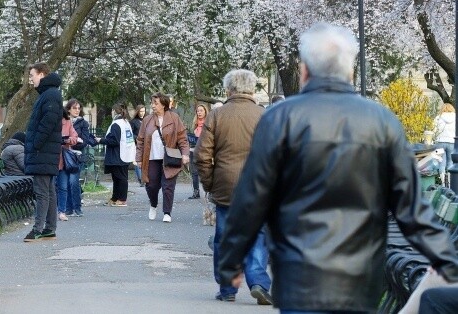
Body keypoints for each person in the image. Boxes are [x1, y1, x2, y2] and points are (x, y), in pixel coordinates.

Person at [217, 23, 458, 313]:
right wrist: (446, 260)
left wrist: (231, 259)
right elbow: (410, 206)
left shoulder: (280, 118)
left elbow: (252, 198)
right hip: (359, 272)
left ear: (305, 70)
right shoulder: (381, 121)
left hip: (299, 272)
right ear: (351, 70)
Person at [194, 70, 272, 305]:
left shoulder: (217, 116)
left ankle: (228, 288)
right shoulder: (265, 116)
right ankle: (258, 281)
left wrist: (210, 182)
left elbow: (201, 155)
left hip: (226, 186)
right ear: (251, 89)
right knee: (258, 235)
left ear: (228, 90)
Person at [23, 62, 63, 242]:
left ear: (42, 74)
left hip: (43, 151)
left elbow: (48, 121)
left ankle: (38, 228)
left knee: (42, 191)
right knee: (48, 190)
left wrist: (36, 144)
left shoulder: (50, 95)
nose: (31, 80)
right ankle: (49, 228)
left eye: (32, 76)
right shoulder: (50, 94)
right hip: (45, 151)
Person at [134, 92, 189, 223]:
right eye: (152, 103)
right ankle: (153, 204)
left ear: (163, 104)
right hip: (152, 158)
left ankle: (167, 212)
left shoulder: (174, 118)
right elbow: (140, 140)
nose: (152, 106)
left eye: (155, 103)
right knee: (151, 185)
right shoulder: (147, 120)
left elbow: (182, 138)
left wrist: (185, 153)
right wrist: (139, 159)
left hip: (170, 158)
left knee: (168, 186)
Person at [97, 103, 136, 207]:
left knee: (120, 178)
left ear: (114, 111)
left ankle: (122, 199)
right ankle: (115, 198)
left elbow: (114, 140)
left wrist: (101, 140)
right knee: (117, 177)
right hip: (125, 153)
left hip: (118, 155)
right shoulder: (125, 122)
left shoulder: (116, 124)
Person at [66, 99, 98, 217]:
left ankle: (77, 208)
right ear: (68, 109)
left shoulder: (83, 123)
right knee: (65, 183)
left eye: (79, 108)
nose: (77, 110)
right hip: (64, 155)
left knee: (73, 181)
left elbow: (84, 141)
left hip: (76, 155)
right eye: (74, 108)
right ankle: (68, 208)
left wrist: (70, 142)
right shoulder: (64, 121)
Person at [56, 109, 79, 221]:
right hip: (51, 159)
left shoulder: (67, 122)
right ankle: (50, 211)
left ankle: (62, 211)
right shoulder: (48, 121)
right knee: (50, 187)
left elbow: (75, 137)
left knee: (63, 187)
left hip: (64, 159)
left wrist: (67, 140)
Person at [188, 104, 208, 199]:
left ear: (205, 112)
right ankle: (196, 192)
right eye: (198, 111)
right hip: (193, 149)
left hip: (204, 150)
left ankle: (208, 192)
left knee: (205, 171)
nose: (199, 112)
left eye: (201, 111)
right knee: (194, 172)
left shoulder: (208, 123)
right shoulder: (193, 123)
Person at [434, 103, 455, 182]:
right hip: (452, 142)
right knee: (451, 162)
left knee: (441, 162)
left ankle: (442, 183)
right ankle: (450, 182)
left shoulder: (438, 118)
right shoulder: (455, 117)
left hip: (440, 142)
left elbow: (434, 130)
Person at [130, 105, 146, 187]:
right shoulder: (133, 121)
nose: (142, 113)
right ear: (137, 112)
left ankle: (144, 177)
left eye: (143, 111)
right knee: (137, 161)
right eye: (140, 111)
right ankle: (141, 179)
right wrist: (136, 138)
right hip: (137, 144)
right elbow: (130, 133)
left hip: (146, 144)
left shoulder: (147, 120)